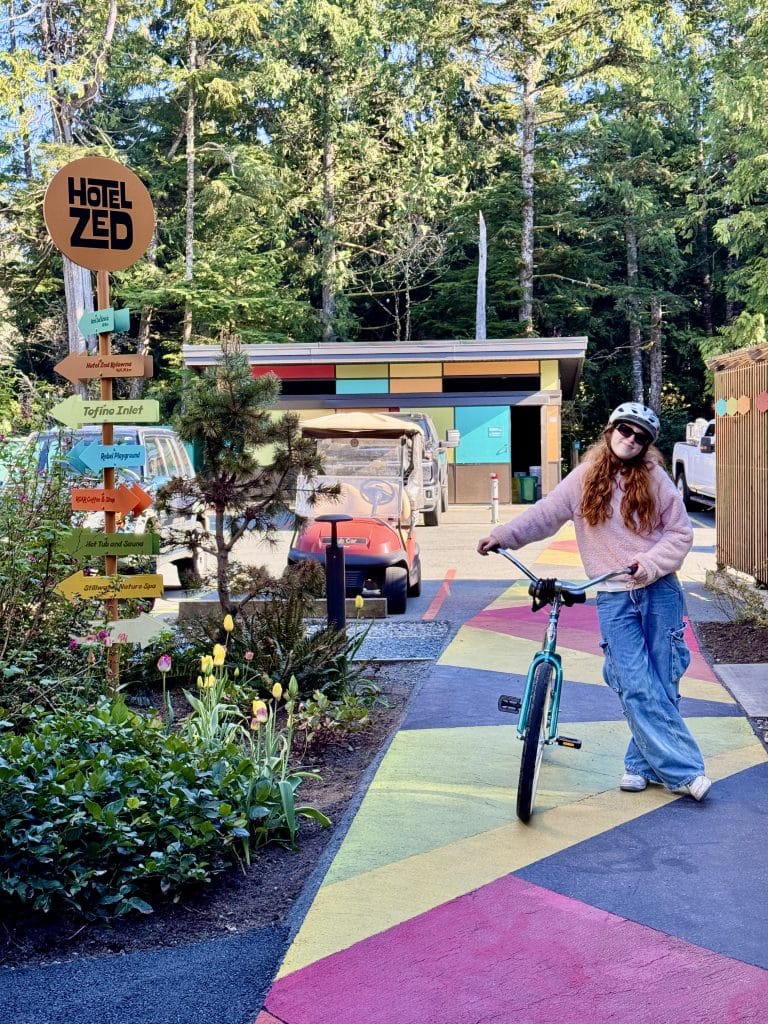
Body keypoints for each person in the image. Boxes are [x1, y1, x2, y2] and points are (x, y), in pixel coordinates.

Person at [478, 402, 712, 802]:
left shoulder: (655, 479)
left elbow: (680, 533)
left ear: (647, 445)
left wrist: (650, 562)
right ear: (610, 430)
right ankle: (686, 772)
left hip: (658, 591)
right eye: (625, 430)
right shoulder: (584, 478)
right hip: (613, 597)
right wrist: (504, 535)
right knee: (635, 683)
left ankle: (639, 764)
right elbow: (544, 514)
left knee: (663, 680)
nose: (631, 440)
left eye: (641, 437)